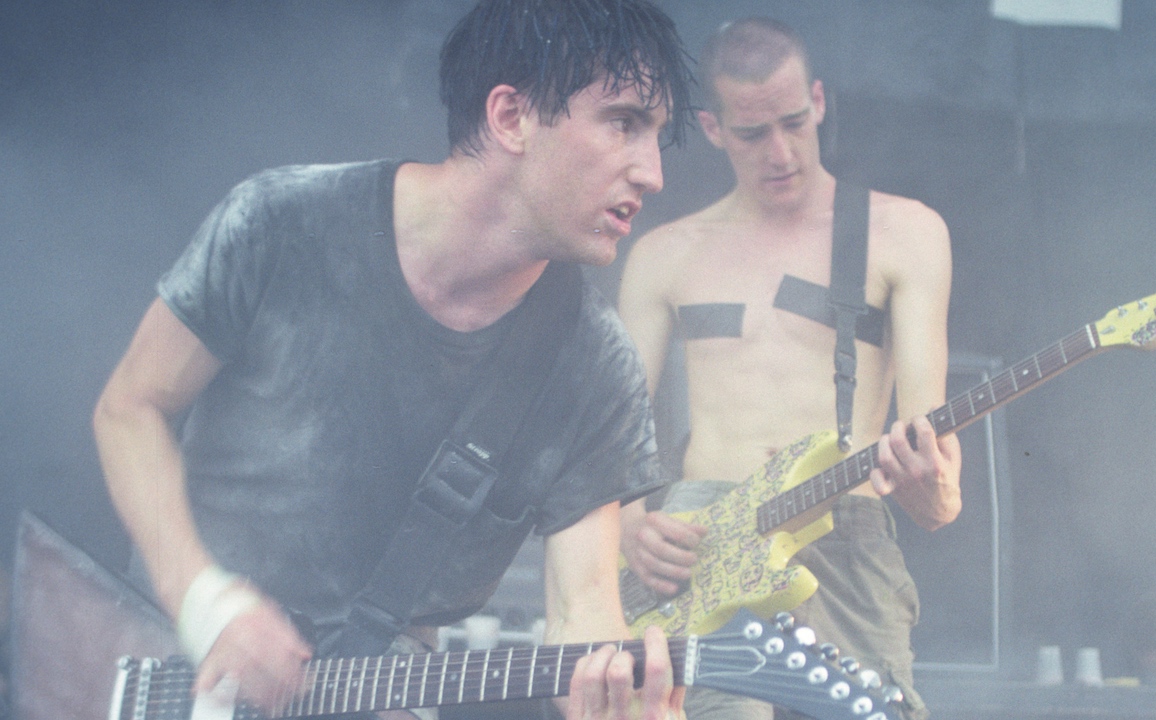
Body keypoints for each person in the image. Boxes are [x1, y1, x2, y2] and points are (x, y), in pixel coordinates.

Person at [91, 1, 695, 718]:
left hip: (382, 693)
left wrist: (622, 706)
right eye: (624, 123)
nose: (654, 172)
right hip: (167, 669)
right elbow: (130, 407)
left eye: (657, 135)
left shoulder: (595, 365)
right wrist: (202, 599)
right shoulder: (283, 221)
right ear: (511, 118)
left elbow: (585, 612)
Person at [617, 17, 961, 720]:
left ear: (820, 101)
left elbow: (936, 470)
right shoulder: (663, 253)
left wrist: (936, 492)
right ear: (711, 128)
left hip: (844, 524)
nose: (780, 151)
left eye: (794, 122)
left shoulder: (906, 232)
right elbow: (605, 435)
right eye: (751, 133)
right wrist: (625, 522)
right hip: (703, 539)